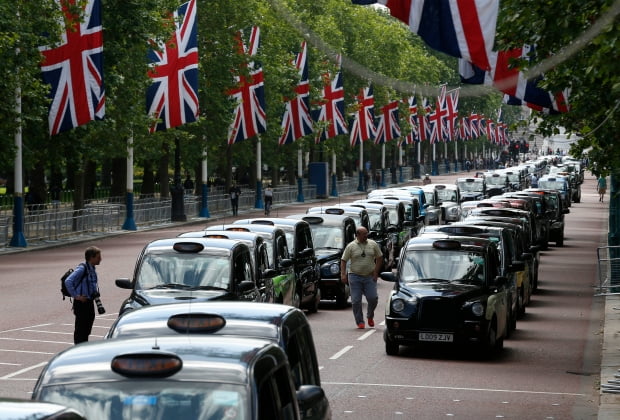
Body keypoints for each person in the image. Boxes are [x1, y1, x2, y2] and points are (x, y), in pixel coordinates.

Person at [340, 226, 383, 329]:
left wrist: (376, 272)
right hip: (354, 276)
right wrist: (343, 274)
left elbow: (379, 257)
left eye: (367, 233)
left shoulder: (373, 244)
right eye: (364, 234)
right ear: (357, 235)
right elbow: (343, 260)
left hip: (369, 276)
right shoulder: (351, 246)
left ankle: (370, 316)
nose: (366, 236)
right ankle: (360, 321)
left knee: (373, 298)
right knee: (356, 300)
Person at [64, 246, 102, 344]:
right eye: (98, 257)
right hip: (81, 303)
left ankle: (83, 346)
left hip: (89, 302)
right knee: (80, 329)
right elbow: (68, 281)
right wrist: (76, 296)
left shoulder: (92, 269)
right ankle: (78, 348)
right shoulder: (82, 268)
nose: (100, 259)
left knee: (87, 327)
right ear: (91, 257)